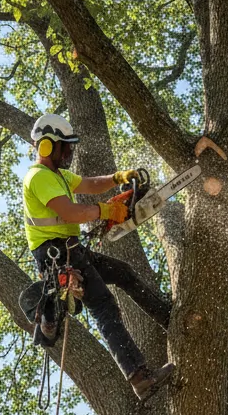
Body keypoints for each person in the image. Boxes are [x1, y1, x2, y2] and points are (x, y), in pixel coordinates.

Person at [21, 113, 175, 399]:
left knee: (124, 273)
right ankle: (140, 378)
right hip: (57, 254)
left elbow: (90, 184)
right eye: (65, 146)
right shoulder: (38, 177)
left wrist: (117, 178)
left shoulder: (59, 176)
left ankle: (167, 317)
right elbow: (71, 212)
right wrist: (106, 210)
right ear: (47, 145)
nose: (69, 152)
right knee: (103, 306)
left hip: (71, 250)